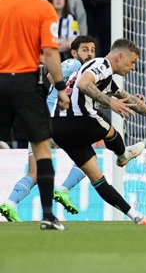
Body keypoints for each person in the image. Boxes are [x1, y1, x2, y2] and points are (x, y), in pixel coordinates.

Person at [53, 38, 146, 225]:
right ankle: (123, 154)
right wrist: (111, 102)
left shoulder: (105, 79)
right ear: (120, 56)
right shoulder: (101, 64)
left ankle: (135, 216)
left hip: (58, 127)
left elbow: (131, 101)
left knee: (97, 178)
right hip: (77, 120)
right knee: (107, 127)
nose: (133, 68)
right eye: (132, 62)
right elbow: (83, 84)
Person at [0, 0, 70, 229]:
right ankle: (48, 216)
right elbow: (51, 52)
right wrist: (62, 87)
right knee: (41, 148)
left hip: (0, 80)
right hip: (27, 83)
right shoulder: (44, 8)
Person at [0, 36, 96, 222]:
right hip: (56, 122)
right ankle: (63, 190)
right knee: (89, 159)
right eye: (85, 50)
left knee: (34, 173)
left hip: (41, 124)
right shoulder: (74, 63)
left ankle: (9, 204)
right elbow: (52, 76)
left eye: (92, 50)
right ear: (75, 52)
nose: (90, 54)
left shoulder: (89, 74)